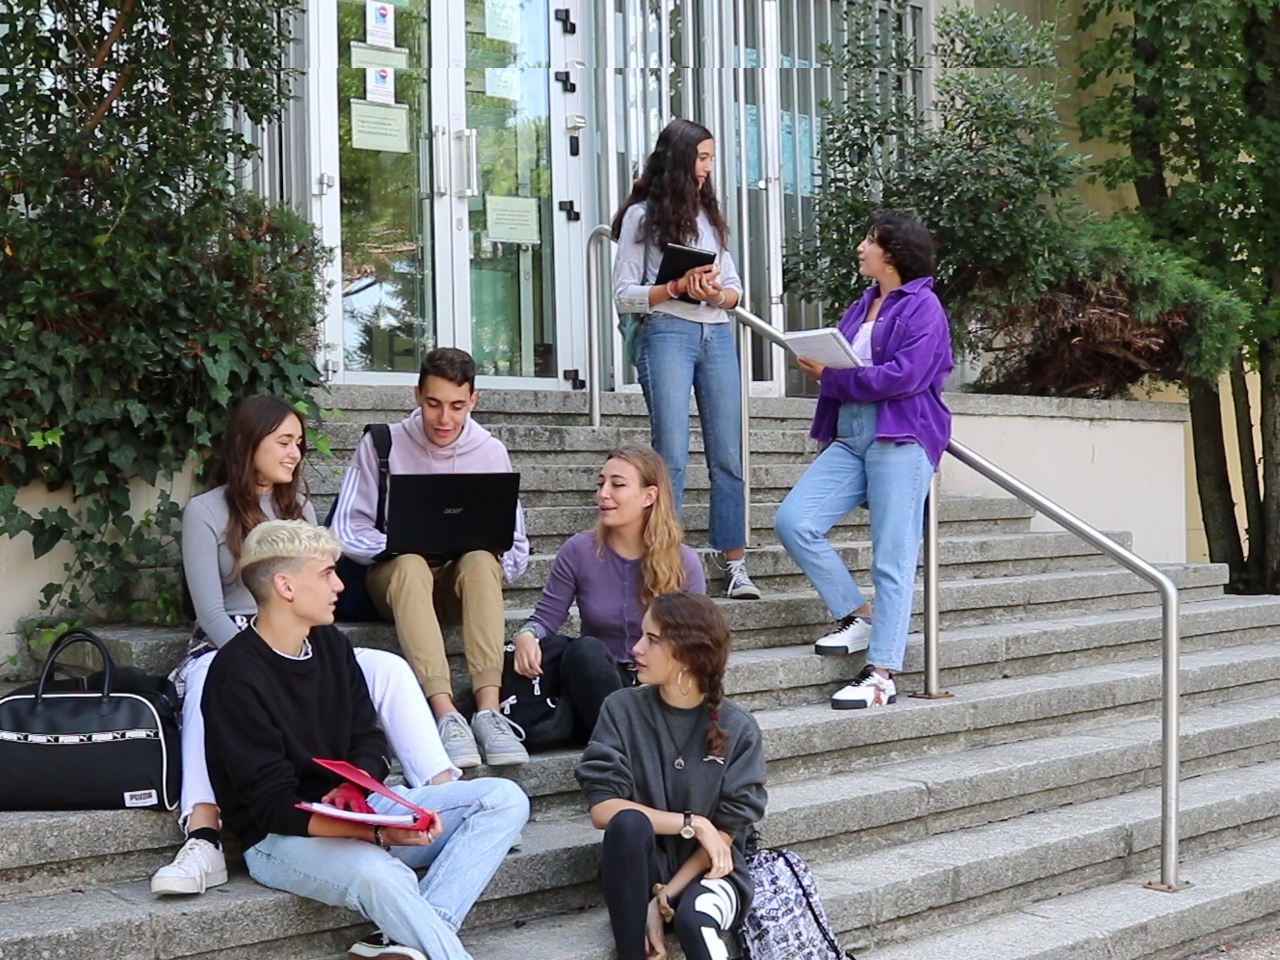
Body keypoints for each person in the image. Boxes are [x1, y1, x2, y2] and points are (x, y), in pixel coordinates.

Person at [152, 396, 459, 897]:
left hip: (303, 639)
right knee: (213, 678)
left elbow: (317, 594)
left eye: (298, 443)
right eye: (284, 442)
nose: (295, 453)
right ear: (248, 443)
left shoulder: (299, 510)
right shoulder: (205, 511)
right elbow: (207, 610)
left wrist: (292, 654)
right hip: (226, 641)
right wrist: (259, 660)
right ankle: (204, 833)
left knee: (388, 668)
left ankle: (443, 796)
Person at [202, 520, 529, 960]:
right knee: (383, 875)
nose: (339, 584)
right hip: (280, 840)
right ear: (285, 586)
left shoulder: (331, 645)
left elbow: (369, 741)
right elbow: (272, 808)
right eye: (325, 574)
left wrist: (357, 792)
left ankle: (402, 940)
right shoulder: (235, 676)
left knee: (504, 799)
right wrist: (375, 833)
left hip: (355, 807)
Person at [775, 210, 954, 710]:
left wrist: (829, 377)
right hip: (852, 433)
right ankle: (859, 614)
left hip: (901, 436)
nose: (860, 247)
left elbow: (906, 376)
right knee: (795, 521)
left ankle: (881, 674)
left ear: (892, 253)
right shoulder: (863, 303)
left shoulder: (924, 307)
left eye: (869, 240)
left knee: (892, 559)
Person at [329, 347, 530, 769]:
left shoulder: (491, 452)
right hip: (396, 581)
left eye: (457, 406)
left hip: (458, 585)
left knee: (479, 560)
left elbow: (516, 545)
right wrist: (397, 544)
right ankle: (445, 714)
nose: (445, 418)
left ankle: (488, 711)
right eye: (434, 403)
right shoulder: (382, 443)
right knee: (409, 564)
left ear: (474, 400)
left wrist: (490, 556)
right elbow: (345, 527)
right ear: (417, 394)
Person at [611, 117, 760, 602]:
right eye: (702, 157)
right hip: (667, 332)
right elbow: (623, 295)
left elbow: (737, 292)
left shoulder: (708, 215)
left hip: (716, 335)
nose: (708, 168)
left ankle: (734, 563)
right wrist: (675, 287)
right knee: (670, 455)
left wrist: (716, 293)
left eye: (712, 158)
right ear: (679, 159)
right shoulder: (641, 217)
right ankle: (665, 562)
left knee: (728, 454)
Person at [576, 591, 767, 960]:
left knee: (695, 921)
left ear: (686, 653)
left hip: (712, 870)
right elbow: (603, 810)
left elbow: (725, 834)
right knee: (628, 823)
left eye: (651, 640)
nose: (635, 649)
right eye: (640, 636)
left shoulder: (738, 728)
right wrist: (693, 823)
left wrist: (665, 897)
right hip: (638, 869)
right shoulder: (621, 709)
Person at [508, 444, 706, 744]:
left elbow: (698, 648)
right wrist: (526, 634)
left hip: (656, 688)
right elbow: (546, 617)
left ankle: (627, 739)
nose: (603, 494)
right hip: (595, 682)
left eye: (618, 485)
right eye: (601, 484)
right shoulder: (579, 550)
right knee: (584, 651)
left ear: (649, 496)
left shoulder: (684, 562)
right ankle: (635, 742)